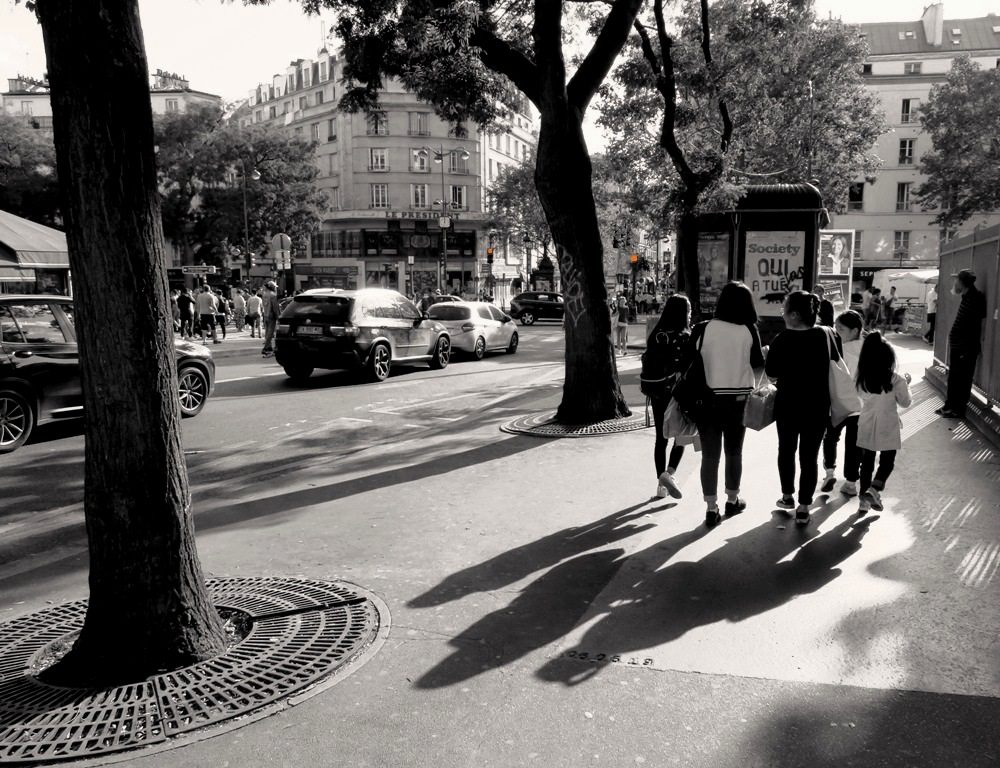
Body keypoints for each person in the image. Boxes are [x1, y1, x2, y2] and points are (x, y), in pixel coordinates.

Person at [765, 291, 843, 526]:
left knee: (786, 450)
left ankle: (787, 497)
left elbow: (772, 374)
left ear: (795, 314)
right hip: (818, 406)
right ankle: (804, 507)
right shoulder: (828, 335)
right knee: (810, 456)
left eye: (784, 310)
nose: (783, 314)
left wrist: (768, 356)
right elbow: (838, 366)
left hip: (787, 405)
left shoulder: (782, 339)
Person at [693, 281, 765, 527]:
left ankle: (710, 508)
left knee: (710, 456)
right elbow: (758, 364)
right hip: (738, 400)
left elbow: (691, 362)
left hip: (706, 398)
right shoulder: (748, 330)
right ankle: (732, 500)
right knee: (734, 452)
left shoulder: (703, 328)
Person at [855, 332, 912, 513]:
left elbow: (860, 395)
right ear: (889, 358)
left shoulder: (861, 378)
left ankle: (863, 501)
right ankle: (874, 489)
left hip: (866, 422)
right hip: (888, 424)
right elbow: (905, 402)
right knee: (887, 462)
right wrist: (907, 383)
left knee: (867, 463)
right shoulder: (896, 379)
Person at [645, 295, 694, 500]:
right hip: (679, 392)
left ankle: (660, 484)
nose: (690, 314)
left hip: (656, 392)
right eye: (689, 311)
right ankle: (669, 473)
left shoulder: (656, 334)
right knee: (681, 436)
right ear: (683, 313)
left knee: (660, 438)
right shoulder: (685, 336)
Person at [821, 310, 865, 496]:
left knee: (830, 438)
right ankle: (850, 482)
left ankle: (829, 472)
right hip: (860, 407)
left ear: (854, 330)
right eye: (835, 327)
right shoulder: (868, 348)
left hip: (836, 406)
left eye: (840, 328)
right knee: (854, 445)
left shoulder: (838, 350)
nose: (836, 331)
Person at [936, 269, 988, 418]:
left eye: (956, 280)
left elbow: (980, 323)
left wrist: (977, 343)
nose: (954, 283)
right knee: (954, 377)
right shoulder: (967, 296)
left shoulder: (975, 298)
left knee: (963, 379)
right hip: (959, 346)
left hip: (966, 347)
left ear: (961, 283)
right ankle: (950, 405)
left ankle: (958, 409)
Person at [261, 280, 282, 355]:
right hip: (271, 315)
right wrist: (278, 316)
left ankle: (269, 346)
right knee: (271, 332)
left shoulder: (264, 294)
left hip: (266, 314)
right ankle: (266, 347)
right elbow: (275, 307)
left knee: (267, 331)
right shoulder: (273, 295)